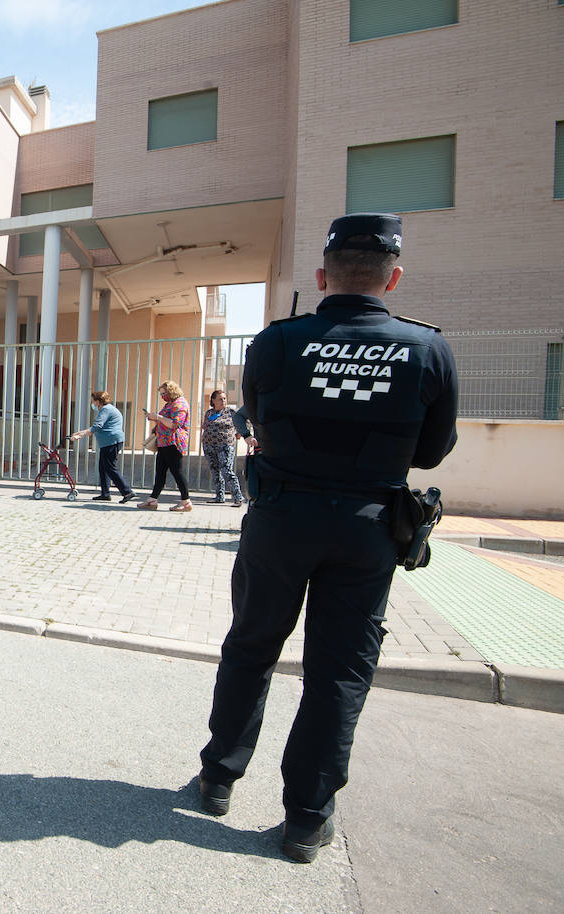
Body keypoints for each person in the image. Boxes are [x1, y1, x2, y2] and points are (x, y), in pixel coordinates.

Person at [197, 213, 458, 864]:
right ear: (393, 278)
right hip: (368, 528)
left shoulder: (278, 341)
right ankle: (307, 819)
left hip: (281, 518)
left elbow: (257, 417)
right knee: (339, 673)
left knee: (251, 647)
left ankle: (218, 778)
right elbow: (430, 452)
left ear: (321, 276)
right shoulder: (426, 349)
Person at [137, 381, 192, 512]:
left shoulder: (180, 404)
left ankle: (186, 501)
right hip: (164, 443)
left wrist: (158, 417)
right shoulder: (170, 404)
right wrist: (154, 420)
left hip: (173, 443)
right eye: (161, 394)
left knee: (177, 472)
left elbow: (174, 424)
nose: (162, 396)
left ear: (171, 391)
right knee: (160, 472)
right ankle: (152, 500)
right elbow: (164, 420)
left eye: (164, 393)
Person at [70, 391, 134, 502]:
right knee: (103, 467)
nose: (92, 403)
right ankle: (105, 493)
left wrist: (81, 436)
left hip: (111, 441)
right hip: (110, 442)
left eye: (93, 401)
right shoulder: (109, 409)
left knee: (110, 467)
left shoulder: (106, 409)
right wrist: (80, 432)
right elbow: (96, 426)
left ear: (98, 401)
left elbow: (98, 426)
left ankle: (127, 491)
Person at [201, 390, 244, 506]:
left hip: (225, 445)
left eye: (224, 398)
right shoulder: (209, 413)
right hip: (209, 445)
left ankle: (238, 497)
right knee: (215, 471)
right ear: (213, 400)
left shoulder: (231, 412)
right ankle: (219, 496)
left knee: (226, 470)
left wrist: (239, 434)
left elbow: (243, 423)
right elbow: (204, 425)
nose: (223, 401)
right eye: (220, 399)